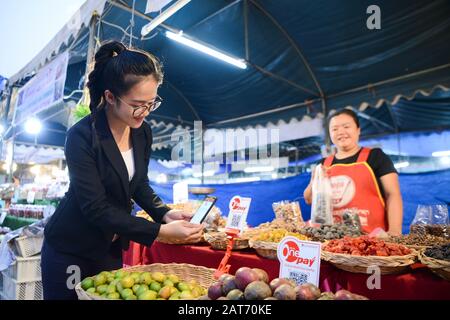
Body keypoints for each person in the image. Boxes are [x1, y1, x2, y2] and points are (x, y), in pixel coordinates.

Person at [41, 41, 204, 300]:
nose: (145, 113)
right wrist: (159, 232)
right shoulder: (82, 136)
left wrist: (163, 214)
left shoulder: (142, 132)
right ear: (109, 97)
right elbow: (95, 207)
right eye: (138, 104)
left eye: (152, 103)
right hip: (72, 246)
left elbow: (138, 183)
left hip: (110, 247)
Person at [303, 109, 403, 235]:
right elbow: (309, 199)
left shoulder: (376, 156)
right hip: (332, 239)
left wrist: (395, 230)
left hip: (372, 239)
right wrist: (314, 180)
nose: (341, 132)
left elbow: (392, 194)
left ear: (358, 130)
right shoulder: (323, 164)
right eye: (334, 129)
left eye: (346, 126)